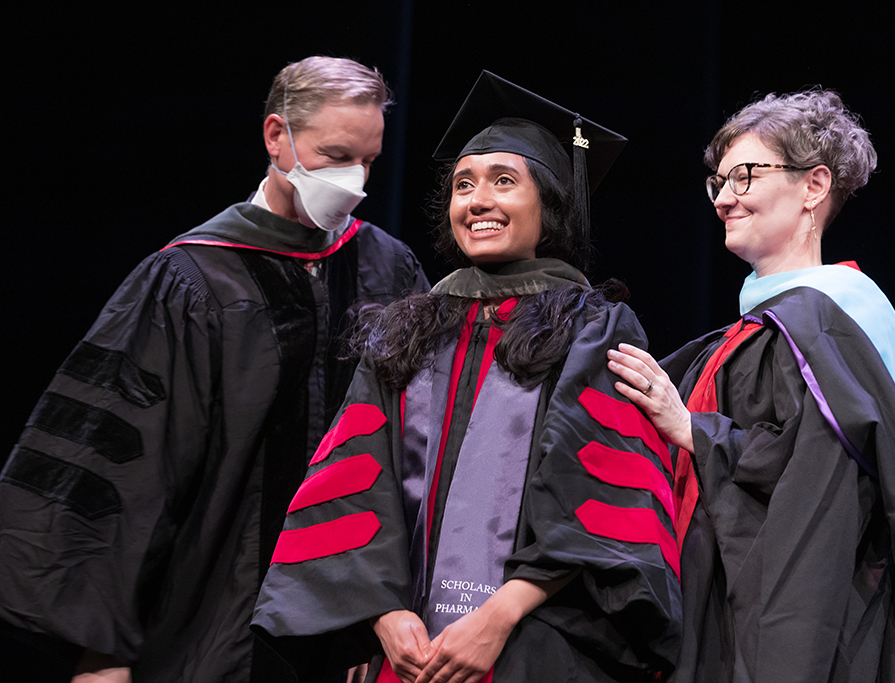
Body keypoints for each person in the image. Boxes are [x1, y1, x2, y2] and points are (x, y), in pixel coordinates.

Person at [0, 56, 429, 682]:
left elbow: (418, 448)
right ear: (276, 136)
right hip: (209, 619)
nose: (354, 180)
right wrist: (104, 653)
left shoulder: (386, 268)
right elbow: (129, 467)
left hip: (347, 633)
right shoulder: (191, 278)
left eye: (368, 161)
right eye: (335, 156)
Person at [252, 71, 682, 683]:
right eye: (463, 185)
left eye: (504, 182)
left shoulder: (592, 327)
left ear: (551, 203)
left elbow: (600, 497)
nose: (478, 201)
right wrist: (382, 611)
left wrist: (498, 616)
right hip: (409, 651)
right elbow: (352, 479)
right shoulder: (408, 328)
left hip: (538, 647)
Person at [606, 89, 895, 683]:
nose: (725, 197)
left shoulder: (829, 327)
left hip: (814, 638)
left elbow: (815, 490)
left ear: (814, 187)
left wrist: (693, 432)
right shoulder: (761, 333)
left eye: (746, 176)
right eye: (719, 182)